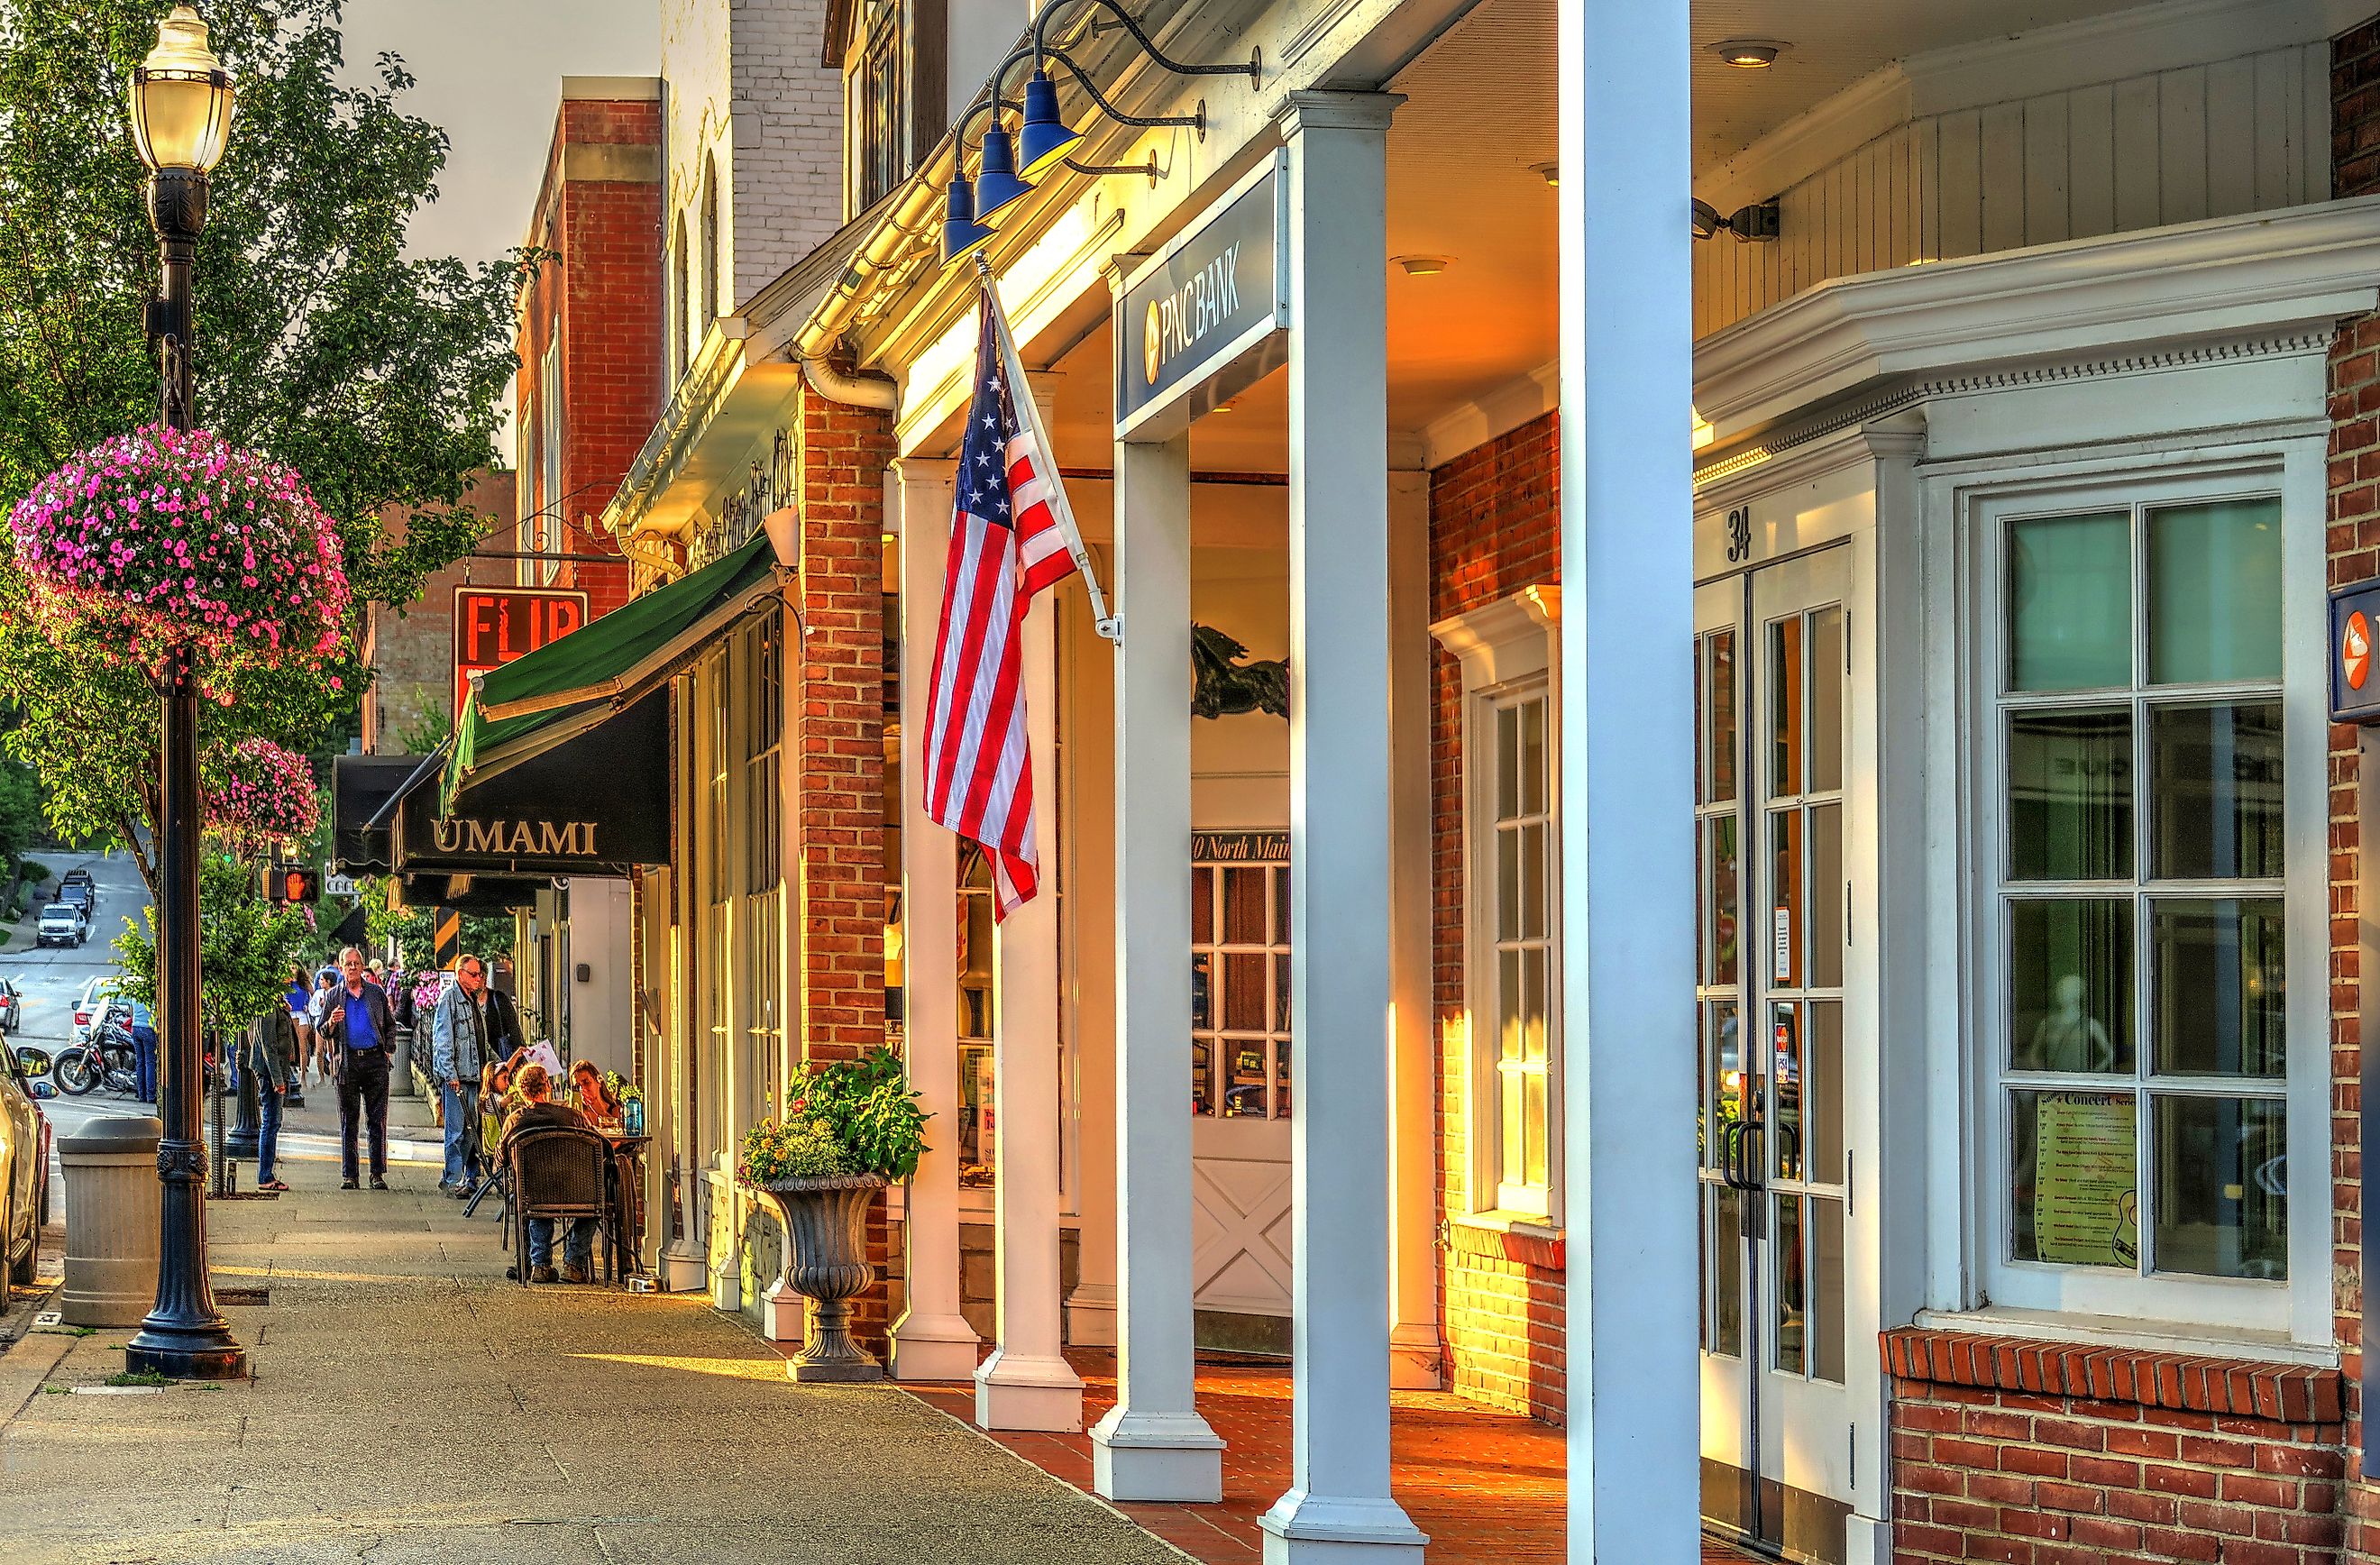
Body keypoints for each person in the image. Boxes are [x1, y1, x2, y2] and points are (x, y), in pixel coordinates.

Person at [496, 1063, 600, 1284]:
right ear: (548, 1086)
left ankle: (540, 1264)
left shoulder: (515, 1121)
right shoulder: (574, 1117)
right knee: (595, 1206)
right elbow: (599, 1148)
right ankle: (574, 1263)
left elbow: (500, 1160)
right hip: (578, 1193)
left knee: (536, 1200)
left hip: (533, 1195)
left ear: (522, 1092)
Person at [316, 947, 396, 1190]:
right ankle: (350, 1175)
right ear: (341, 968)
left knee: (377, 1120)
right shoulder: (334, 997)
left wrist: (388, 1048)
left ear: (362, 967)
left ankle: (376, 1173)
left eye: (356, 963)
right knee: (349, 1120)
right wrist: (331, 1021)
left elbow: (391, 1024)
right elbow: (322, 1029)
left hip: (374, 1061)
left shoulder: (375, 993)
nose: (352, 967)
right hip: (347, 1063)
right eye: (348, 964)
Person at [429, 954, 494, 1199]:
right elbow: (442, 1039)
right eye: (474, 974)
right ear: (460, 974)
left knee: (473, 1131)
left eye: (480, 975)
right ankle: (452, 1180)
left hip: (475, 1077)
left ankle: (471, 1178)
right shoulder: (450, 999)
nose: (479, 979)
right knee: (456, 1132)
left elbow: (481, 1041)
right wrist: (450, 1073)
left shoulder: (473, 1001)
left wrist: (496, 1065)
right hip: (459, 1078)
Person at [242, 1002, 297, 1194]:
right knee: (271, 1122)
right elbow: (268, 1045)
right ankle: (265, 1176)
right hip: (268, 1072)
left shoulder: (273, 1004)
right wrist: (277, 1079)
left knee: (272, 1122)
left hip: (269, 1070)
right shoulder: (268, 1007)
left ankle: (266, 1174)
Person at [285, 964, 317, 1087]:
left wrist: (309, 1005)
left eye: (294, 967)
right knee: (289, 1044)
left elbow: (314, 995)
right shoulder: (286, 982)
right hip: (290, 1014)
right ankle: (290, 1072)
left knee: (302, 1045)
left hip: (302, 1014)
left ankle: (302, 1075)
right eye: (290, 968)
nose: (292, 970)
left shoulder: (304, 983)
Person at [569, 1059, 620, 1127]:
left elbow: (620, 1132)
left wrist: (600, 1111)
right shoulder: (579, 1116)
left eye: (586, 1082)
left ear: (598, 1082)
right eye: (578, 1086)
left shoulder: (615, 1109)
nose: (582, 1089)